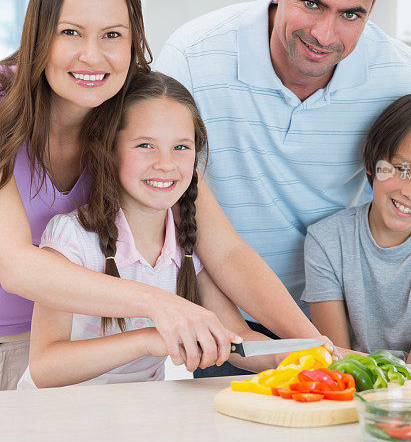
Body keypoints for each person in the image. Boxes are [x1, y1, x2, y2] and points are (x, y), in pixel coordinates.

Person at [155, 0, 411, 376]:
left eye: (351, 14)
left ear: (371, 9)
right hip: (233, 323)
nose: (325, 34)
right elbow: (176, 208)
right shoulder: (193, 57)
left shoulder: (394, 67)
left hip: (342, 328)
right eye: (311, 3)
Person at [0, 0, 325, 390]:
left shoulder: (137, 113)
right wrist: (158, 306)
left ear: (134, 39)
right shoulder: (3, 111)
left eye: (112, 35)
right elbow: (16, 266)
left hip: (78, 347)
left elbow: (225, 251)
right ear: (39, 34)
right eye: (71, 32)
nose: (92, 57)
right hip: (40, 353)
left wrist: (317, 347)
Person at [19, 72, 294, 388]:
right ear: (110, 149)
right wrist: (148, 339)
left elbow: (238, 339)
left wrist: (291, 355)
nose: (166, 163)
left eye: (181, 147)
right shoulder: (72, 237)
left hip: (140, 418)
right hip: (59, 420)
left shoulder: (186, 244)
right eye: (146, 145)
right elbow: (45, 366)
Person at [302, 94, 411, 363]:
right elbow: (335, 359)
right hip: (354, 392)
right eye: (401, 169)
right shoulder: (326, 241)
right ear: (371, 160)